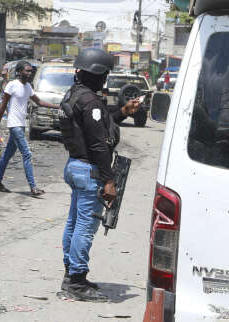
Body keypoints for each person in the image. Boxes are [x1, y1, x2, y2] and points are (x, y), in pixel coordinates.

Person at [58, 48, 141, 302]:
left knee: (74, 223)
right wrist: (108, 180)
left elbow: (95, 123)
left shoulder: (75, 95)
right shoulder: (91, 101)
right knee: (84, 227)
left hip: (75, 165)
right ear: (98, 74)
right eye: (104, 74)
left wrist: (123, 112)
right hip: (88, 170)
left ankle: (71, 273)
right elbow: (98, 143)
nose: (105, 79)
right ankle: (76, 282)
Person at [0, 61, 58, 196]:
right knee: (27, 154)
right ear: (19, 71)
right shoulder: (12, 85)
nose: (29, 73)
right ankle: (33, 187)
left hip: (21, 125)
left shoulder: (28, 87)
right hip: (14, 125)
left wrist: (59, 107)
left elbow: (39, 102)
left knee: (8, 154)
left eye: (30, 71)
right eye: (27, 71)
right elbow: (3, 106)